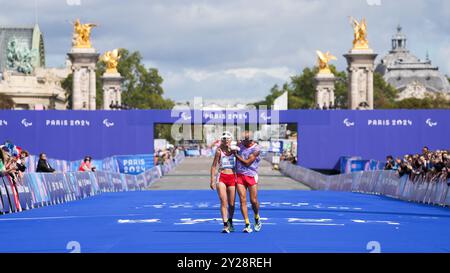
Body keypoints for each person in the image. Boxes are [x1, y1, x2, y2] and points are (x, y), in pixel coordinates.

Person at [234, 131, 262, 233]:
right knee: (242, 200)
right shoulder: (240, 144)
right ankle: (247, 224)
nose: (242, 141)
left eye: (245, 140)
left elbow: (247, 163)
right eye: (242, 139)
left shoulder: (256, 149)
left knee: (253, 201)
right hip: (240, 175)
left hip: (251, 175)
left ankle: (256, 217)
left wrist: (236, 155)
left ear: (251, 140)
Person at [210, 131, 237, 233]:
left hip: (232, 177)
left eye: (228, 138)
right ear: (222, 140)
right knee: (223, 201)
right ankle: (225, 225)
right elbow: (213, 166)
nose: (226, 140)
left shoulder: (235, 151)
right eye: (224, 139)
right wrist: (212, 180)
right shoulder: (219, 151)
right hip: (221, 177)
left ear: (231, 140)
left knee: (232, 204)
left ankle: (230, 221)